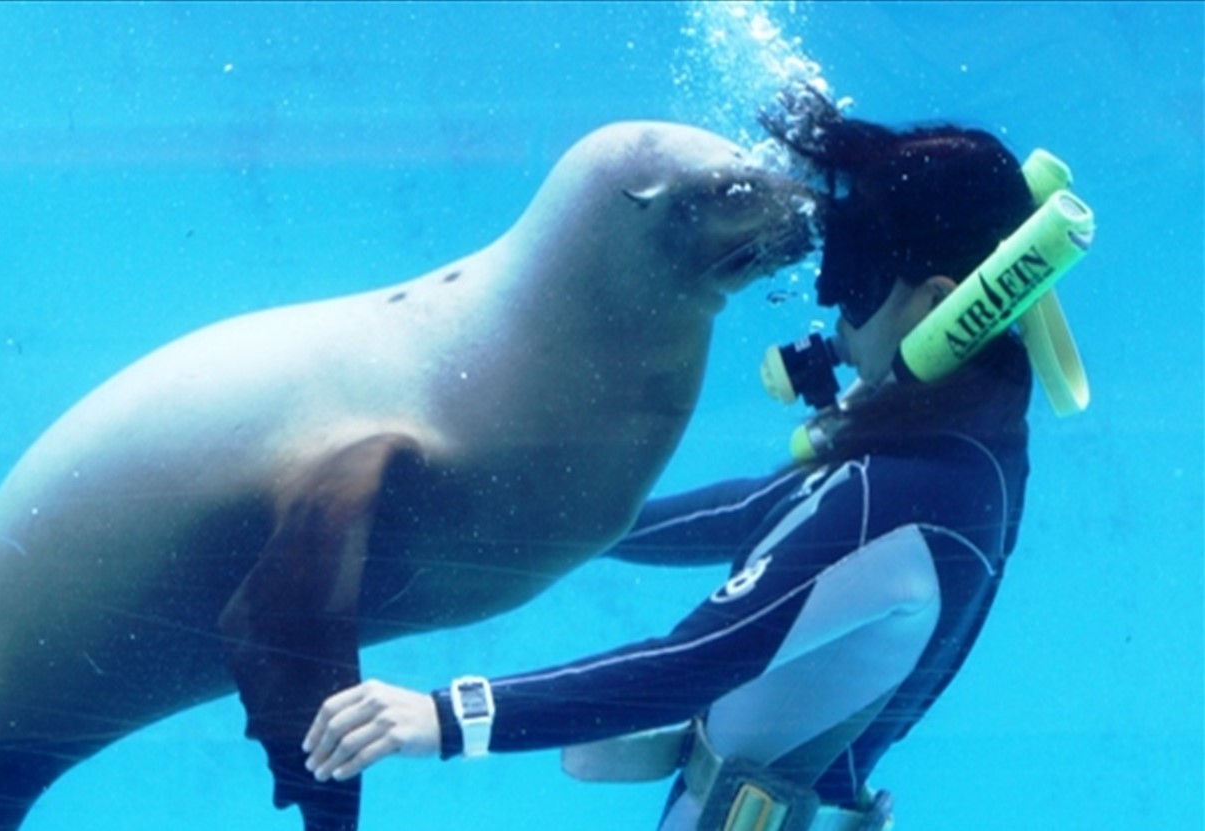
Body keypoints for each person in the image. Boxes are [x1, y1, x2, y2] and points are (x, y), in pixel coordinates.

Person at [302, 98, 1047, 831]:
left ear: (939, 305)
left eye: (855, 279)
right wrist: (547, 523)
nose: (828, 305)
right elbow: (759, 514)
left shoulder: (908, 493)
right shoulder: (959, 457)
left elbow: (690, 662)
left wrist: (443, 717)